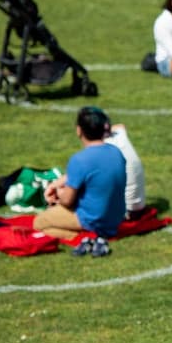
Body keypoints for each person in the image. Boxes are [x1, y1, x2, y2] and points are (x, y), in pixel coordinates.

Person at [33, 107, 126, 251]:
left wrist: (58, 195)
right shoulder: (116, 152)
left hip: (93, 219)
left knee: (40, 222)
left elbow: (68, 200)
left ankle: (81, 238)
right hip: (116, 216)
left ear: (79, 130)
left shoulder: (79, 159)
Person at [104, 123, 146, 217]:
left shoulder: (102, 148)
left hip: (123, 213)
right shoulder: (119, 134)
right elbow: (121, 126)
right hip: (139, 207)